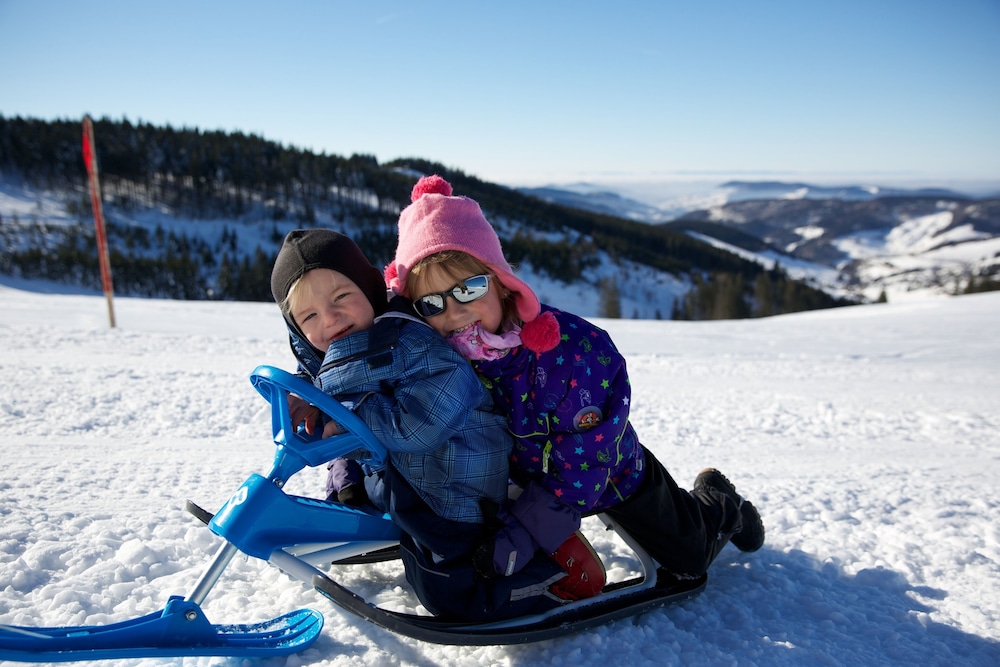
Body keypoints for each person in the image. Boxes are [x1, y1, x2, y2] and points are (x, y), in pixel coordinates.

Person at [384, 175, 765, 584]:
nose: (454, 312)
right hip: (519, 486)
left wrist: (526, 531)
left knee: (689, 559)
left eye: (469, 288)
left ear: (502, 282)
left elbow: (585, 462)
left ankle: (720, 503)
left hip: (608, 474)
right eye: (431, 302)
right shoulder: (435, 362)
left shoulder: (573, 354)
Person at [269, 228, 605, 621]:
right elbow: (331, 380)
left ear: (370, 292)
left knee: (450, 594)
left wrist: (347, 416)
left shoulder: (410, 343)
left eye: (342, 297)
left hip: (456, 485)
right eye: (309, 315)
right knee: (363, 499)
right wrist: (309, 397)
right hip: (405, 474)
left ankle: (553, 580)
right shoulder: (334, 349)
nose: (330, 318)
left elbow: (419, 427)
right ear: (297, 330)